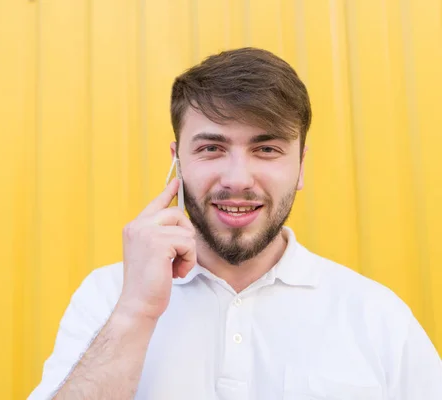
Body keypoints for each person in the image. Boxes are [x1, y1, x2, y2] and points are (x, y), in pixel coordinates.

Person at [29, 47, 442, 400]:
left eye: (266, 148)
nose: (238, 179)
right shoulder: (108, 298)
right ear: (177, 162)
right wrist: (135, 312)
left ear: (301, 167)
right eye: (211, 147)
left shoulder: (376, 315)